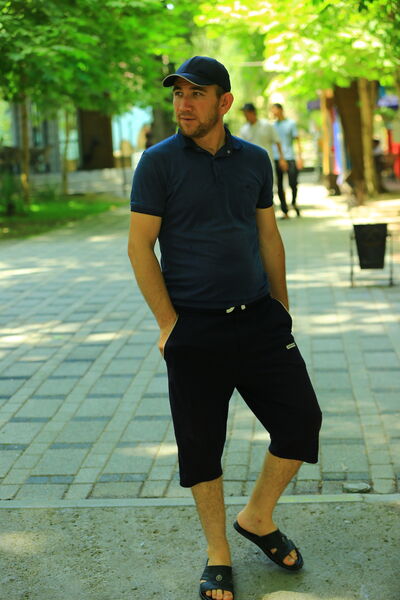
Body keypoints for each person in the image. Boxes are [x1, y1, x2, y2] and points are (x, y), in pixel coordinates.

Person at [128, 56, 322, 600]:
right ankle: (218, 552)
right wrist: (168, 324)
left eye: (196, 93)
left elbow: (268, 235)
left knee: (301, 422)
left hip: (259, 320)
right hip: (194, 328)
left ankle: (257, 517)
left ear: (225, 102)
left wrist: (281, 306)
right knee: (200, 447)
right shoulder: (157, 163)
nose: (184, 104)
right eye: (178, 94)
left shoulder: (255, 160)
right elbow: (140, 247)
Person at [271, 103, 303, 219]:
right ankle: (284, 210)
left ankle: (294, 202)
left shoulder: (291, 123)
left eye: (275, 110)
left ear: (281, 110)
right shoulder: (272, 126)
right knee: (279, 185)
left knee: (293, 183)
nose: (273, 112)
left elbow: (297, 140)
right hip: (277, 158)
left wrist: (300, 157)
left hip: (290, 157)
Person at [240, 102, 287, 171]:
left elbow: (277, 141)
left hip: (268, 162)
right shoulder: (244, 129)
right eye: (244, 113)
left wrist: (282, 158)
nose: (245, 115)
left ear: (253, 112)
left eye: (247, 112)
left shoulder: (266, 125)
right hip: (251, 165)